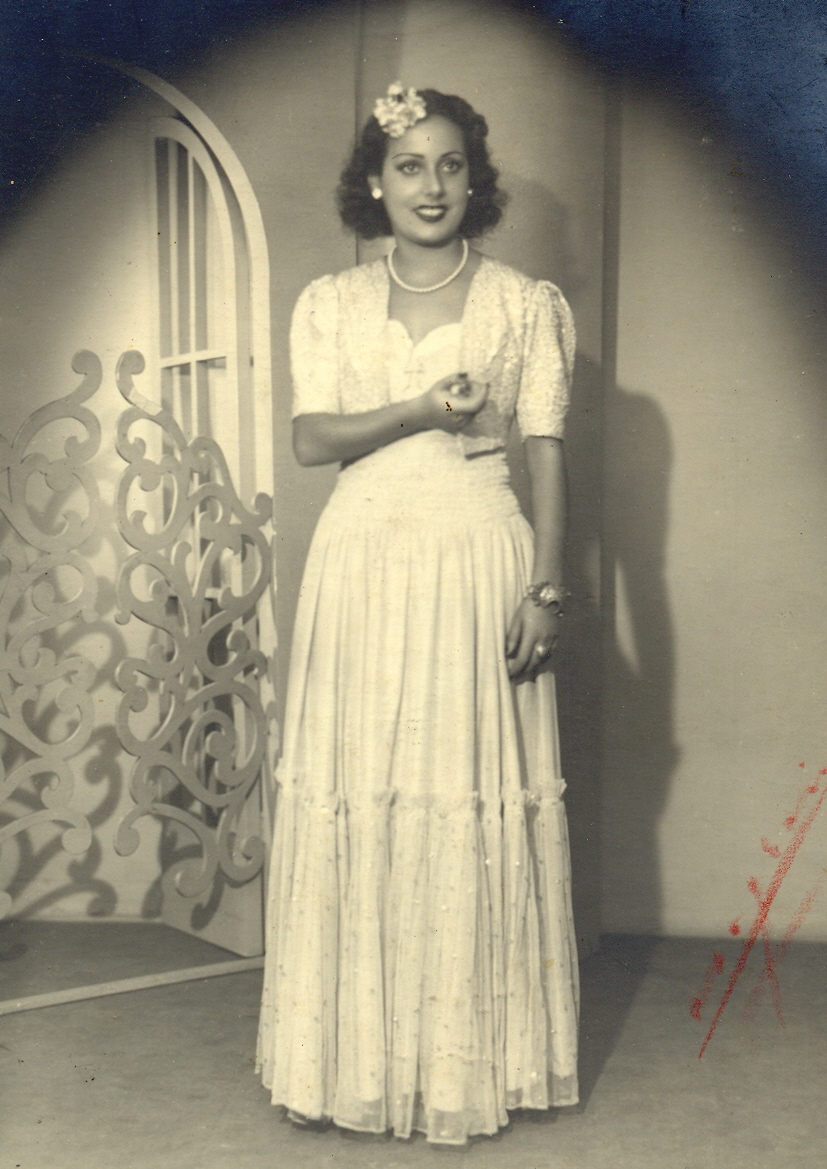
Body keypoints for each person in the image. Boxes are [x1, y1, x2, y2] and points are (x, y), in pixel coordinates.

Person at [256, 83, 579, 1147]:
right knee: (362, 786)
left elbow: (545, 450)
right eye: (408, 166)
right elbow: (310, 440)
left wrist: (545, 586)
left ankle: (460, 1067)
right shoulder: (328, 302)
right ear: (374, 182)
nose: (430, 186)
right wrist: (412, 409)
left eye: (449, 165)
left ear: (474, 181)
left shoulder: (523, 302)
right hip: (360, 559)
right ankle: (349, 1065)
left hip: (476, 554)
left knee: (459, 791)